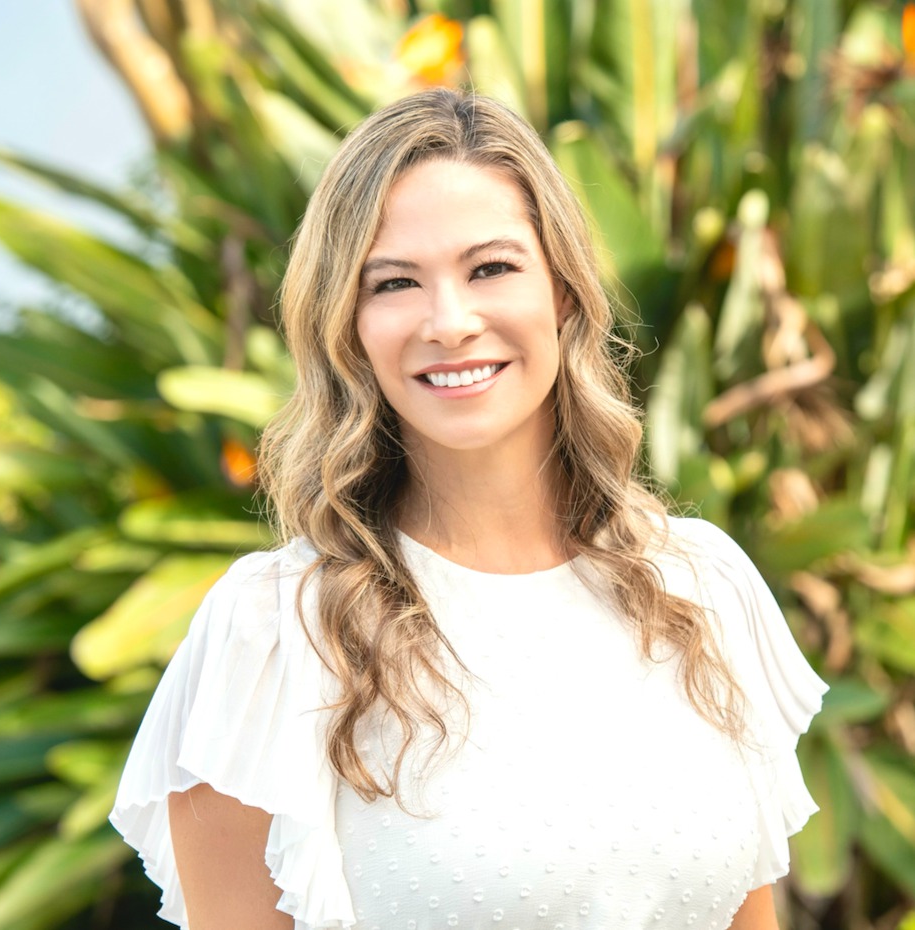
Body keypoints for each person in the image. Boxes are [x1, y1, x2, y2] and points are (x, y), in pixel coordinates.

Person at [110, 88, 828, 930]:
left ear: (563, 291)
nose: (450, 322)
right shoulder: (272, 633)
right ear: (348, 326)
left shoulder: (701, 588)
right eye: (394, 283)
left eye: (491, 268)